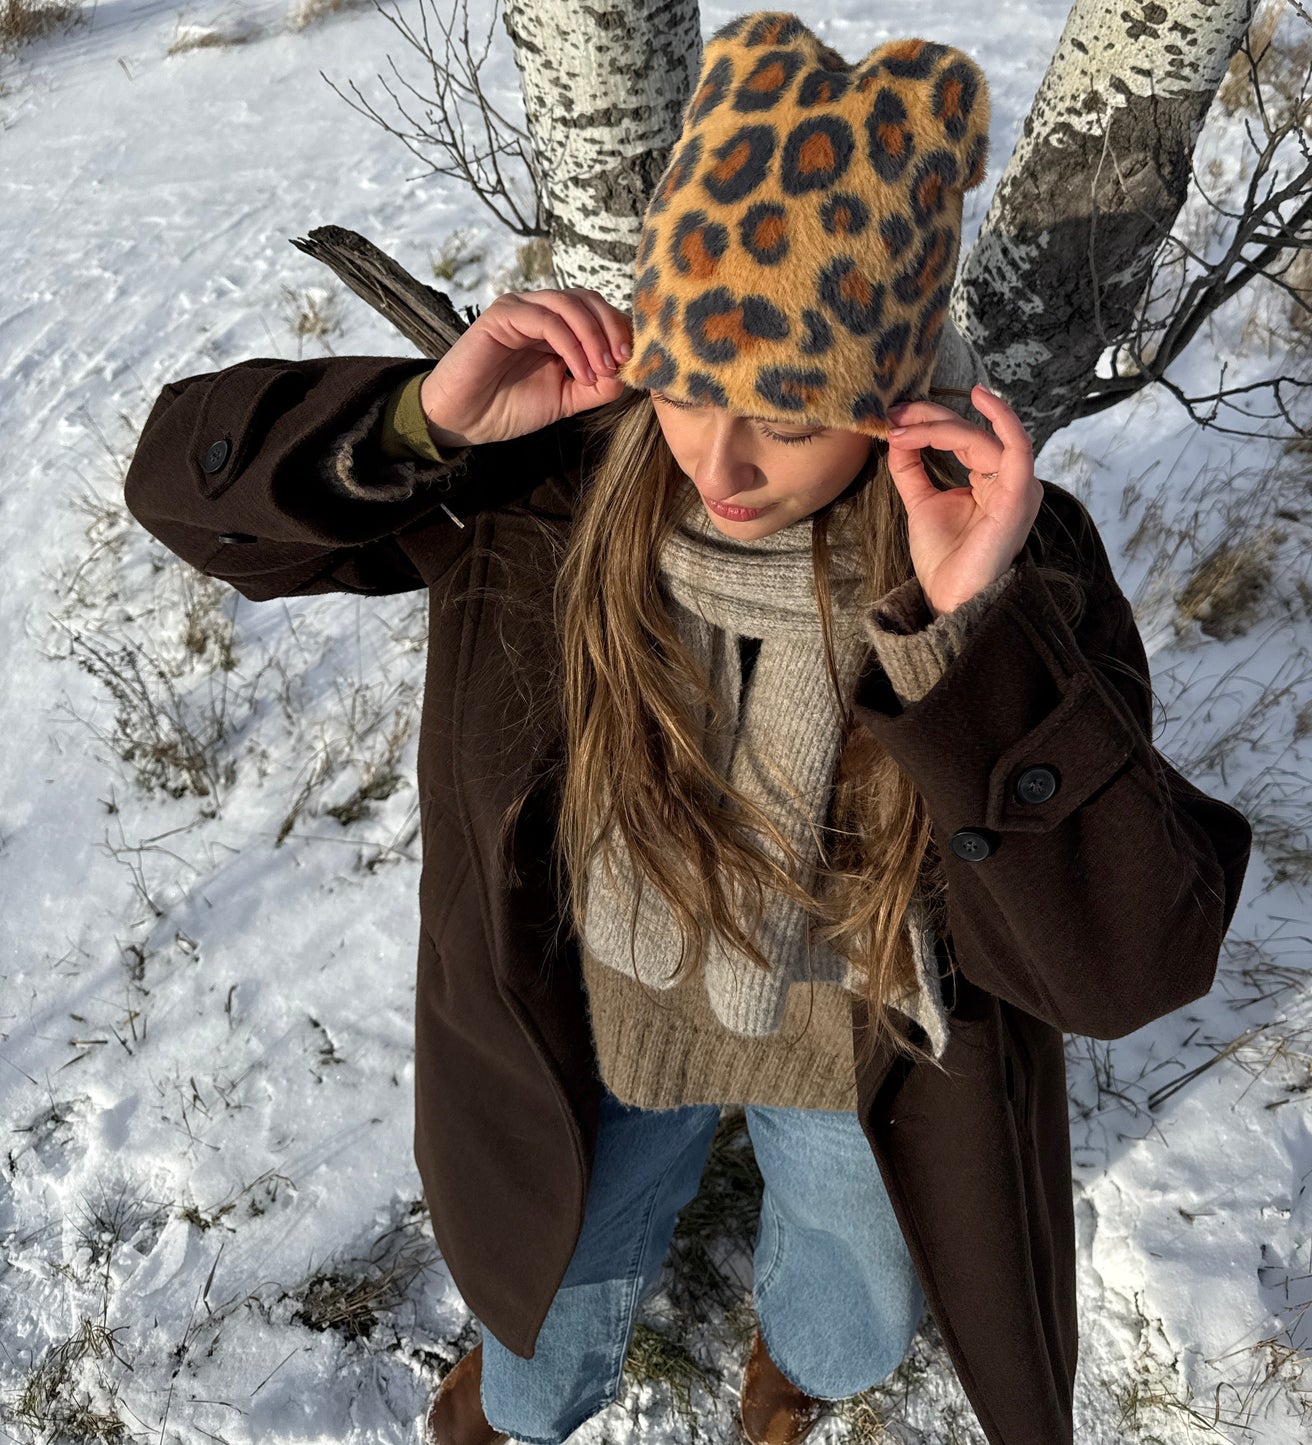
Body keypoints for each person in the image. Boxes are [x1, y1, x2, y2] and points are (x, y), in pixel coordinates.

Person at [123, 11, 1253, 1445]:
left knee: (850, 1323)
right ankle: (515, 1396)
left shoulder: (999, 556)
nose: (716, 458)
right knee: (545, 1324)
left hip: (849, 1058)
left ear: (891, 390)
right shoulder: (543, 498)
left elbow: (1132, 965)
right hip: (592, 1036)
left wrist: (969, 640)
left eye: (783, 411)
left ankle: (790, 1374)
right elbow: (181, 491)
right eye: (691, 383)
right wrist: (422, 423)